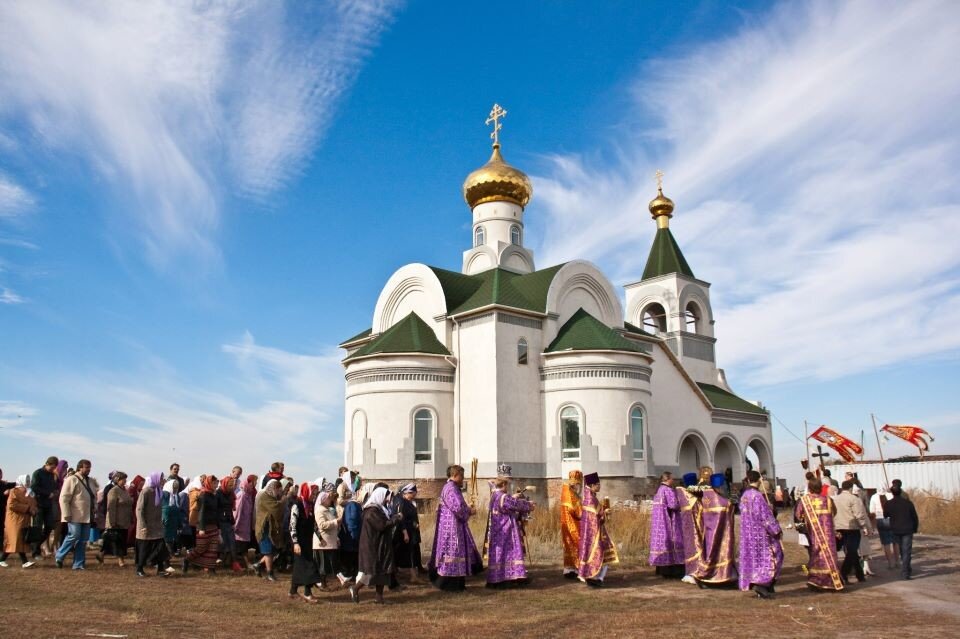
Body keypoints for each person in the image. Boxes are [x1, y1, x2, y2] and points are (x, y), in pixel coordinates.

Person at [428, 464, 483, 592]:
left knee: (456, 553)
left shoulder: (451, 487)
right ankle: (449, 584)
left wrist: (466, 506)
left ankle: (457, 584)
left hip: (453, 525)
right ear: (455, 475)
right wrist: (470, 511)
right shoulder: (451, 488)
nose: (463, 479)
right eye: (461, 476)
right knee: (453, 553)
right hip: (451, 528)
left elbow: (458, 505)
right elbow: (458, 508)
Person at [349, 485, 402, 604]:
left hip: (380, 546)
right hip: (373, 547)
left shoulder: (378, 509)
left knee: (382, 572)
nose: (387, 500)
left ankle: (379, 598)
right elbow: (381, 525)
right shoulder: (371, 511)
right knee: (372, 572)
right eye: (386, 497)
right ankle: (355, 588)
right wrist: (396, 518)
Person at [484, 468, 535, 589]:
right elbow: (515, 504)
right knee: (511, 553)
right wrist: (529, 505)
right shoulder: (503, 496)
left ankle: (496, 578)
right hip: (506, 529)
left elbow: (508, 505)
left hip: (497, 529)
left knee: (499, 554)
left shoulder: (494, 496)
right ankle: (512, 577)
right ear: (504, 484)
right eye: (507, 484)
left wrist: (514, 497)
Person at [738, 470, 783, 598]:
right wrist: (776, 530)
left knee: (754, 560)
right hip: (761, 535)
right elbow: (765, 517)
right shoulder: (757, 496)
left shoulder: (744, 495)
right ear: (759, 480)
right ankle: (763, 585)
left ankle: (766, 585)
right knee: (775, 555)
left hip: (748, 535)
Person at [795, 475, 843, 591]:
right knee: (829, 556)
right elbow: (834, 513)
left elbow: (798, 515)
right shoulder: (828, 500)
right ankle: (831, 581)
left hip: (814, 533)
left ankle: (815, 580)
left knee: (816, 554)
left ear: (809, 488)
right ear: (821, 488)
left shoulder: (804, 500)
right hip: (828, 534)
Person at [577, 472, 618, 587]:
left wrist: (603, 512)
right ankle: (596, 577)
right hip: (595, 534)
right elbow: (595, 518)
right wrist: (605, 513)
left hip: (589, 533)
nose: (600, 486)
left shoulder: (589, 496)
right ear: (592, 485)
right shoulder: (591, 498)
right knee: (600, 552)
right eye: (598, 484)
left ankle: (596, 577)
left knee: (599, 553)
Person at [55, 458, 96, 570]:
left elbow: (93, 497)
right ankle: (59, 555)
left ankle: (78, 564)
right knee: (74, 535)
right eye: (86, 467)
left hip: (87, 515)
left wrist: (94, 509)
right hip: (74, 514)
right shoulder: (72, 479)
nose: (89, 469)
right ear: (80, 467)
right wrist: (66, 513)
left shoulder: (91, 481)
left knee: (83, 540)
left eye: (89, 467)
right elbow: (64, 497)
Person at [289, 482, 322, 602]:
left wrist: (320, 537)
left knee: (301, 567)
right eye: (312, 493)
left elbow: (314, 524)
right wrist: (295, 543)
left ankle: (293, 591)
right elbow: (292, 526)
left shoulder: (310, 505)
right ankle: (307, 593)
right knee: (308, 566)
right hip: (299, 542)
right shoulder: (297, 505)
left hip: (308, 542)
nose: (314, 495)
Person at [833, 479, 871, 584]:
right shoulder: (854, 499)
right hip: (852, 528)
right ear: (850, 488)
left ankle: (859, 575)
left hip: (838, 528)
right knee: (852, 551)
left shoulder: (834, 499)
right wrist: (864, 526)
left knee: (852, 552)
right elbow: (859, 515)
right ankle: (843, 573)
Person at [648, 471, 684, 578]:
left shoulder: (659, 490)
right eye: (672, 478)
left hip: (659, 524)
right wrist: (681, 503)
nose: (673, 480)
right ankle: (672, 572)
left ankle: (662, 570)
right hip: (667, 523)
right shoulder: (668, 490)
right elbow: (673, 505)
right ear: (667, 479)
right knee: (672, 543)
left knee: (663, 546)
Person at [135, 471, 171, 577]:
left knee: (160, 548)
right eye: (160, 478)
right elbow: (139, 509)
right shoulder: (145, 492)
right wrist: (142, 525)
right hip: (146, 526)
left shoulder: (159, 491)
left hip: (157, 526)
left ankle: (160, 569)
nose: (162, 480)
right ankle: (139, 569)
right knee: (144, 549)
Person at [183, 475, 220, 573]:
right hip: (204, 525)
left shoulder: (214, 495)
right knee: (201, 547)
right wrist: (202, 528)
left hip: (213, 525)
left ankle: (211, 568)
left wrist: (218, 526)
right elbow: (201, 512)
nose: (216, 485)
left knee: (213, 547)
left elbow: (216, 511)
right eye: (214, 483)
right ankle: (187, 560)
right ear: (209, 483)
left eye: (216, 483)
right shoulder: (203, 495)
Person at [883, 484, 919, 580]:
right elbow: (915, 517)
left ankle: (906, 569)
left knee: (903, 550)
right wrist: (915, 528)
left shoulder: (888, 503)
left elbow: (885, 515)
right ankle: (906, 571)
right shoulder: (908, 503)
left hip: (895, 529)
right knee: (906, 550)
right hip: (907, 529)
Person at [1, 474, 38, 568]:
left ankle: (3, 559)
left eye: (29, 481)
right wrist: (28, 508)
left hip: (24, 520)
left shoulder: (29, 492)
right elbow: (12, 505)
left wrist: (34, 510)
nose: (28, 482)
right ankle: (24, 562)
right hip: (14, 520)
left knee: (19, 539)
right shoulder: (14, 491)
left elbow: (33, 503)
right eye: (27, 480)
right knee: (16, 539)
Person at [98, 471, 132, 567]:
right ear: (117, 480)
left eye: (125, 479)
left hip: (124, 521)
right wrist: (112, 521)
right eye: (123, 479)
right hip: (116, 521)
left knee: (118, 541)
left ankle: (101, 554)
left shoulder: (125, 490)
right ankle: (121, 561)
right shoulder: (113, 491)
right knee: (116, 541)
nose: (125, 481)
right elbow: (111, 507)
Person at [253, 478, 284, 581]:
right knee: (268, 552)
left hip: (271, 529)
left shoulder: (272, 497)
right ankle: (270, 574)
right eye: (278, 490)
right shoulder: (264, 497)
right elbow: (275, 509)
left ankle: (258, 565)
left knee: (272, 551)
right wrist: (283, 502)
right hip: (265, 528)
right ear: (274, 488)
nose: (279, 492)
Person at [314, 487, 345, 589]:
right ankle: (322, 584)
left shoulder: (326, 510)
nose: (330, 500)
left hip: (329, 541)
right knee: (323, 565)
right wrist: (336, 521)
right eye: (328, 498)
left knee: (327, 564)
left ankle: (324, 583)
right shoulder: (320, 510)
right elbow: (322, 525)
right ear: (323, 500)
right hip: (323, 542)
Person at [30, 456, 58, 560]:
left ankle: (35, 545)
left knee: (50, 526)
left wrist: (55, 491)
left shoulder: (52, 475)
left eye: (54, 467)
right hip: (39, 504)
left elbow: (53, 486)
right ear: (47, 464)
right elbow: (34, 487)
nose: (53, 469)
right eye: (52, 467)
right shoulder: (37, 473)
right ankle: (35, 552)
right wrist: (47, 493)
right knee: (37, 528)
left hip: (48, 504)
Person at [393, 483, 422, 582]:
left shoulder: (407, 502)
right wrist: (405, 532)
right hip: (406, 532)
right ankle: (412, 577)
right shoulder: (402, 502)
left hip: (411, 531)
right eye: (412, 494)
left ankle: (413, 576)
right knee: (409, 554)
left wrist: (414, 523)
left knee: (411, 554)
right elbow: (401, 519)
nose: (414, 496)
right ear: (407, 493)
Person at [868, 485, 899, 569]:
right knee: (895, 542)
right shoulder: (890, 495)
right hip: (891, 519)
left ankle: (890, 563)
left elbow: (872, 511)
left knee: (886, 543)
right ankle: (897, 561)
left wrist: (873, 525)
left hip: (880, 520)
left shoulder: (873, 497)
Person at [559, 470, 582, 579]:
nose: (579, 486)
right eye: (578, 484)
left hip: (572, 523)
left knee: (572, 545)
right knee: (574, 544)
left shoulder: (572, 492)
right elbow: (573, 510)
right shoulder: (567, 491)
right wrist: (584, 512)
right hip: (571, 524)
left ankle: (572, 569)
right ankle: (572, 568)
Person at [216, 476, 240, 572]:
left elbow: (230, 509)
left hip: (228, 521)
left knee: (232, 543)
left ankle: (235, 563)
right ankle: (220, 562)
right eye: (230, 484)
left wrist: (233, 522)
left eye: (233, 484)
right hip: (220, 522)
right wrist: (218, 526)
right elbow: (216, 510)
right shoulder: (218, 494)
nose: (232, 486)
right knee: (223, 544)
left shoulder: (231, 494)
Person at [338, 487, 363, 581]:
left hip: (350, 537)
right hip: (351, 537)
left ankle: (351, 574)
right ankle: (350, 575)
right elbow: (352, 522)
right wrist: (356, 537)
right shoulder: (353, 505)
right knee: (350, 557)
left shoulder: (352, 505)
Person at [234, 474, 257, 563]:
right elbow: (237, 511)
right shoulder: (242, 495)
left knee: (242, 546)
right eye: (253, 482)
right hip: (240, 526)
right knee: (240, 546)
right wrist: (236, 525)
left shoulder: (248, 495)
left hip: (246, 525)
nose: (254, 484)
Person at [161, 478, 186, 558]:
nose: (176, 489)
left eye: (177, 488)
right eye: (174, 488)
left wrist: (179, 523)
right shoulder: (164, 494)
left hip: (174, 520)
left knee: (172, 538)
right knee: (165, 538)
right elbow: (163, 508)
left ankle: (169, 554)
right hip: (166, 520)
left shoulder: (176, 496)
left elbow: (177, 508)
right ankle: (166, 555)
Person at [0, 469, 15, 552]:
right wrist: (3, 494)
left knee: (1, 530)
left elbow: (16, 484)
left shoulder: (4, 484)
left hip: (2, 510)